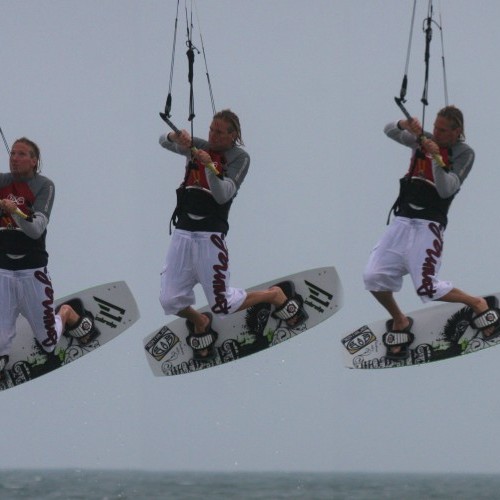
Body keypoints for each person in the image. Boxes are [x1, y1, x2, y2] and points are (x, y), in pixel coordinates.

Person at [158, 109, 307, 361]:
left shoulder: (240, 157)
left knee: (223, 306)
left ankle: (274, 295)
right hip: (182, 234)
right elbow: (162, 140)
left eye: (219, 132)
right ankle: (200, 321)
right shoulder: (197, 145)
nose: (212, 136)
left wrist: (209, 167)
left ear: (232, 135)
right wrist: (176, 137)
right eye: (211, 130)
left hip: (209, 238)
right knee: (169, 301)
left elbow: (223, 194)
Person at [363, 105, 500, 360]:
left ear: (456, 131)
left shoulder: (464, 153)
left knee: (426, 287)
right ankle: (399, 320)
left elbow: (447, 189)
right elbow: (388, 130)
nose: (436, 133)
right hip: (402, 222)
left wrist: (436, 158)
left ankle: (477, 303)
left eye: (442, 130)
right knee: (373, 277)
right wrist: (407, 126)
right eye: (434, 127)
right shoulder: (424, 139)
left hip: (429, 226)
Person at [0, 137, 99, 380]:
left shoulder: (44, 185)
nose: (14, 158)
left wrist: (15, 210)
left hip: (32, 274)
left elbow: (36, 229)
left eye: (22, 154)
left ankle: (65, 313)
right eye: (13, 153)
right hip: (3, 273)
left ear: (34, 161)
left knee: (48, 342)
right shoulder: (2, 181)